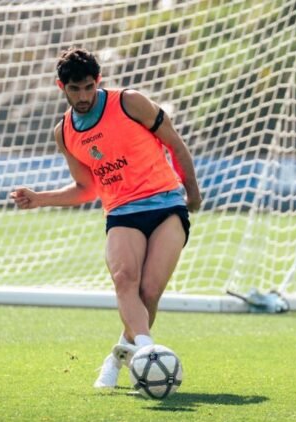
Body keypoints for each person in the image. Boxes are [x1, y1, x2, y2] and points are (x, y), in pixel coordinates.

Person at [11, 47, 201, 389]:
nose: (83, 96)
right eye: (75, 89)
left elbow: (175, 143)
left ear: (98, 81)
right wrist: (40, 198)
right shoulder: (64, 132)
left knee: (149, 292)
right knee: (124, 279)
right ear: (61, 87)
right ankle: (147, 353)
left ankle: (116, 359)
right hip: (122, 212)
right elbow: (86, 189)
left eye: (89, 87)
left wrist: (193, 193)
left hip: (166, 204)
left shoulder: (130, 102)